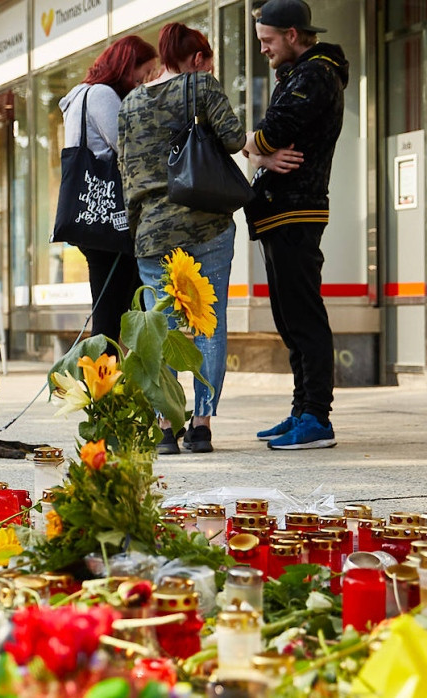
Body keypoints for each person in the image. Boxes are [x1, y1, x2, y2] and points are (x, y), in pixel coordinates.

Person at [117, 23, 245, 456]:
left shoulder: (129, 104)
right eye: (208, 61)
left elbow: (126, 170)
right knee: (209, 321)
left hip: (152, 232)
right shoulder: (201, 85)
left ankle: (164, 425)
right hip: (207, 225)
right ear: (197, 59)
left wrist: (139, 226)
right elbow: (234, 139)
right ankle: (202, 425)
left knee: (162, 327)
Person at [242, 0, 348, 450]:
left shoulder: (315, 74)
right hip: (279, 210)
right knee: (289, 319)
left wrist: (254, 146)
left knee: (304, 316)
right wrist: (260, 154)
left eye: (267, 40)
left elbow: (267, 133)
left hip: (296, 212)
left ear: (291, 34)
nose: (263, 49)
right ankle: (301, 408)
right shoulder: (298, 74)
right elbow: (262, 144)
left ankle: (317, 417)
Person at [58, 36, 159, 349]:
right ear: (127, 66)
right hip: (109, 219)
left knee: (115, 312)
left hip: (92, 217)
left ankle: (108, 377)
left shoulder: (79, 95)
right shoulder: (101, 94)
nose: (146, 79)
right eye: (144, 72)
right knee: (111, 318)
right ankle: (99, 378)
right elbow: (128, 146)